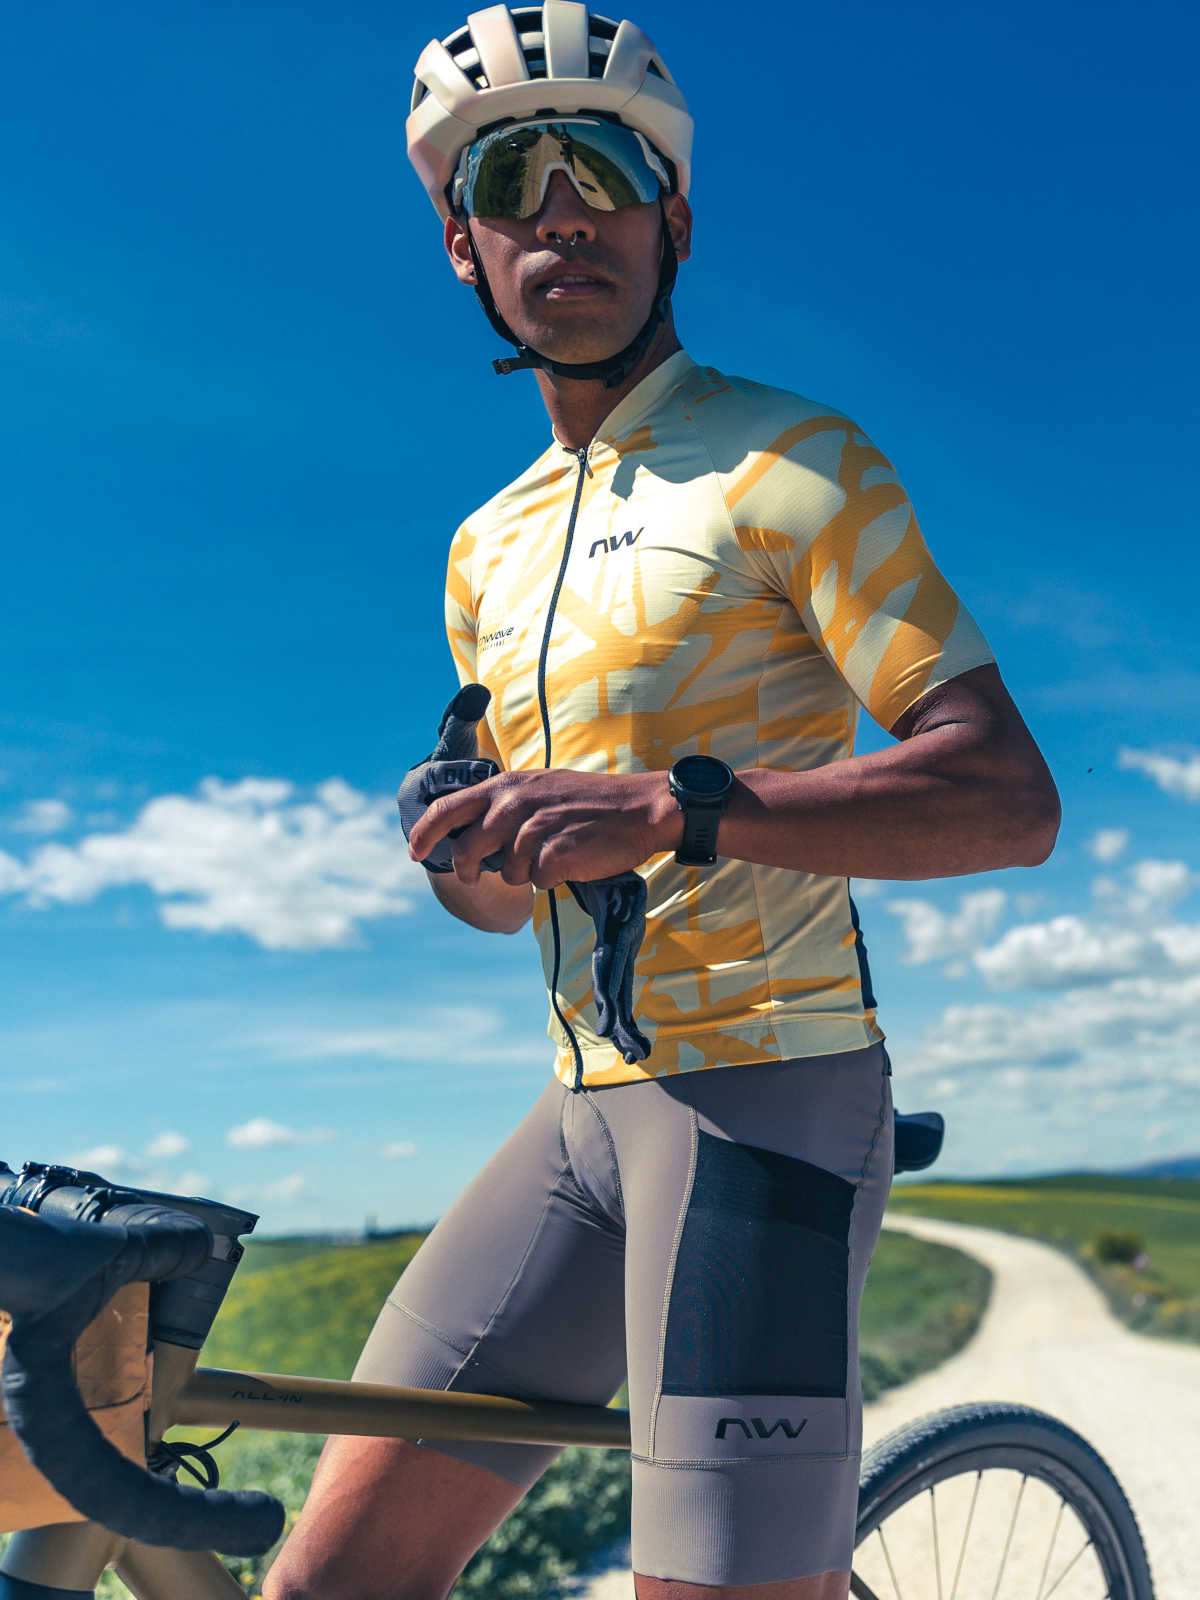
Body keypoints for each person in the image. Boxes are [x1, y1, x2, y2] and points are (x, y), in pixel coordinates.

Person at [264, 6, 1060, 1598]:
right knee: (327, 1585)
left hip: (770, 1093)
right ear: (466, 247)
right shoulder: (484, 549)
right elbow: (509, 907)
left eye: (604, 170)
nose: (563, 211)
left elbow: (1003, 798)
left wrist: (685, 811)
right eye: (513, 180)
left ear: (671, 220)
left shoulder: (792, 462)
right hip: (579, 1111)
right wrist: (472, 854)